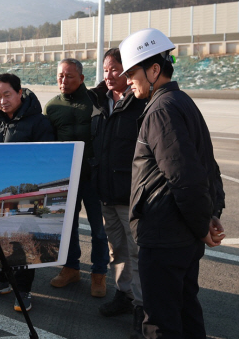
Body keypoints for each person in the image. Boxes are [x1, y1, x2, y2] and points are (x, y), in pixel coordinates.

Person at [119, 28, 226, 339]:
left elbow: (186, 178)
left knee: (160, 323)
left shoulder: (162, 110)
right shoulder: (180, 101)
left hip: (166, 237)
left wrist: (202, 224)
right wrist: (208, 216)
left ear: (154, 69)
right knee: (186, 311)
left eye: (132, 72)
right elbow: (208, 168)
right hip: (180, 235)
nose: (128, 81)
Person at [0, 73, 54, 312]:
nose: (2, 100)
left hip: (25, 195)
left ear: (20, 93)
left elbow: (46, 160)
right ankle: (0, 280)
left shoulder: (39, 123)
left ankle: (23, 289)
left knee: (22, 240)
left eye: (7, 94)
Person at [87, 49, 147, 337]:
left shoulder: (141, 103)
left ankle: (142, 307)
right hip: (105, 193)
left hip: (130, 195)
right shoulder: (98, 102)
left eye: (115, 69)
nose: (109, 75)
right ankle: (123, 295)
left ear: (128, 71)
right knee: (116, 250)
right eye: (105, 69)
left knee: (136, 253)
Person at [43, 58, 110, 297]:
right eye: (60, 75)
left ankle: (99, 273)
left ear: (81, 78)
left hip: (93, 177)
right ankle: (70, 268)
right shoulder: (51, 107)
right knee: (68, 226)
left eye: (69, 76)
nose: (63, 80)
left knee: (98, 229)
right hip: (67, 178)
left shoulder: (96, 101)